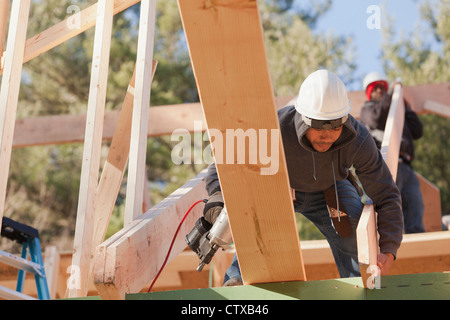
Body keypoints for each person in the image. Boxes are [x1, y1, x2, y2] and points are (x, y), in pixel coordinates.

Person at [202, 69, 404, 286]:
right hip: (279, 188)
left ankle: (361, 288)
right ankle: (236, 283)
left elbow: (386, 194)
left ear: (344, 120)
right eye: (318, 126)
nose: (327, 136)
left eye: (335, 127)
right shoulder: (277, 127)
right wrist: (218, 195)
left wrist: (389, 249)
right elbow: (225, 159)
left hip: (330, 189)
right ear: (303, 118)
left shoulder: (357, 139)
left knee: (353, 232)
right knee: (259, 233)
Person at [359, 72, 425, 233]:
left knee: (414, 205)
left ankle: (416, 240)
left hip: (406, 167)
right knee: (388, 208)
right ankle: (385, 246)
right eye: (377, 88)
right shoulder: (368, 110)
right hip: (387, 165)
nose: (381, 90)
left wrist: (406, 107)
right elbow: (376, 118)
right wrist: (391, 95)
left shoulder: (398, 115)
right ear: (370, 92)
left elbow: (417, 131)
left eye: (384, 87)